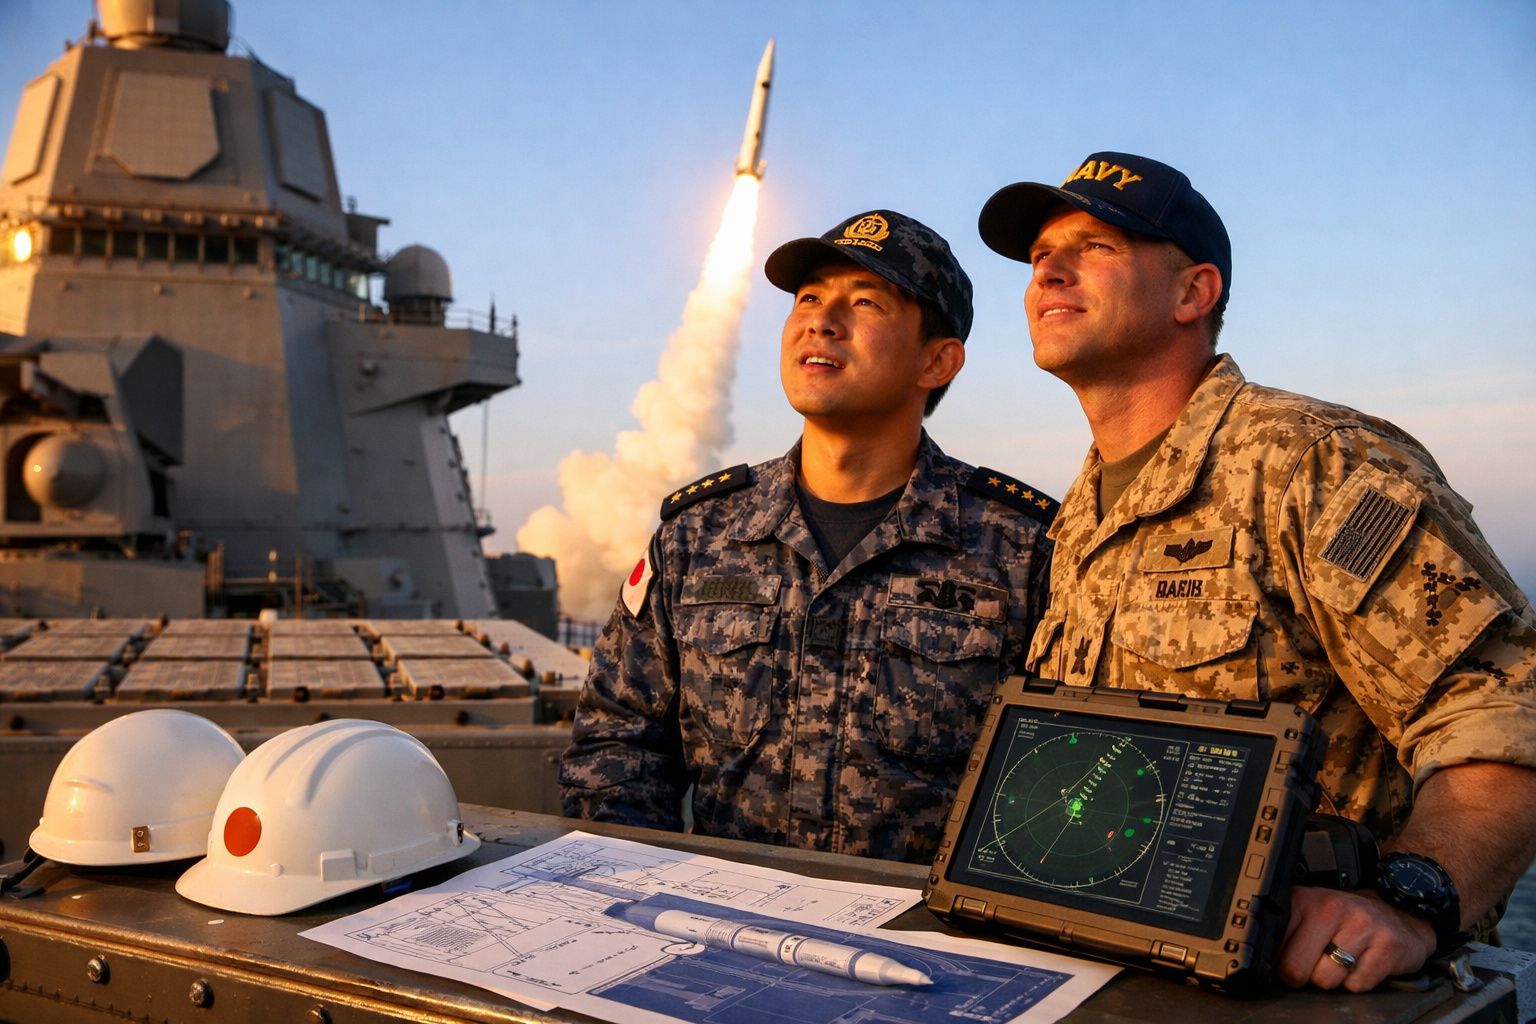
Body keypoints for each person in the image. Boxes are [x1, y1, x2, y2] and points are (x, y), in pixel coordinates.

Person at [977, 151, 1536, 991]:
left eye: (1094, 246)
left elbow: (1500, 709)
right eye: (1039, 256)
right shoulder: (1082, 512)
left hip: (1298, 991)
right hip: (1124, 980)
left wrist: (1410, 900)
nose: (1048, 268)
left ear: (1193, 294)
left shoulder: (1315, 464)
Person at [560, 209, 1056, 863]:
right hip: (717, 932)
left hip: (927, 949)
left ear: (937, 361)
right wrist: (647, 887)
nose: (820, 320)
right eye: (810, 298)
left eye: (865, 302)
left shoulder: (1018, 551)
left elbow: (1054, 779)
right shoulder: (697, 537)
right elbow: (616, 738)